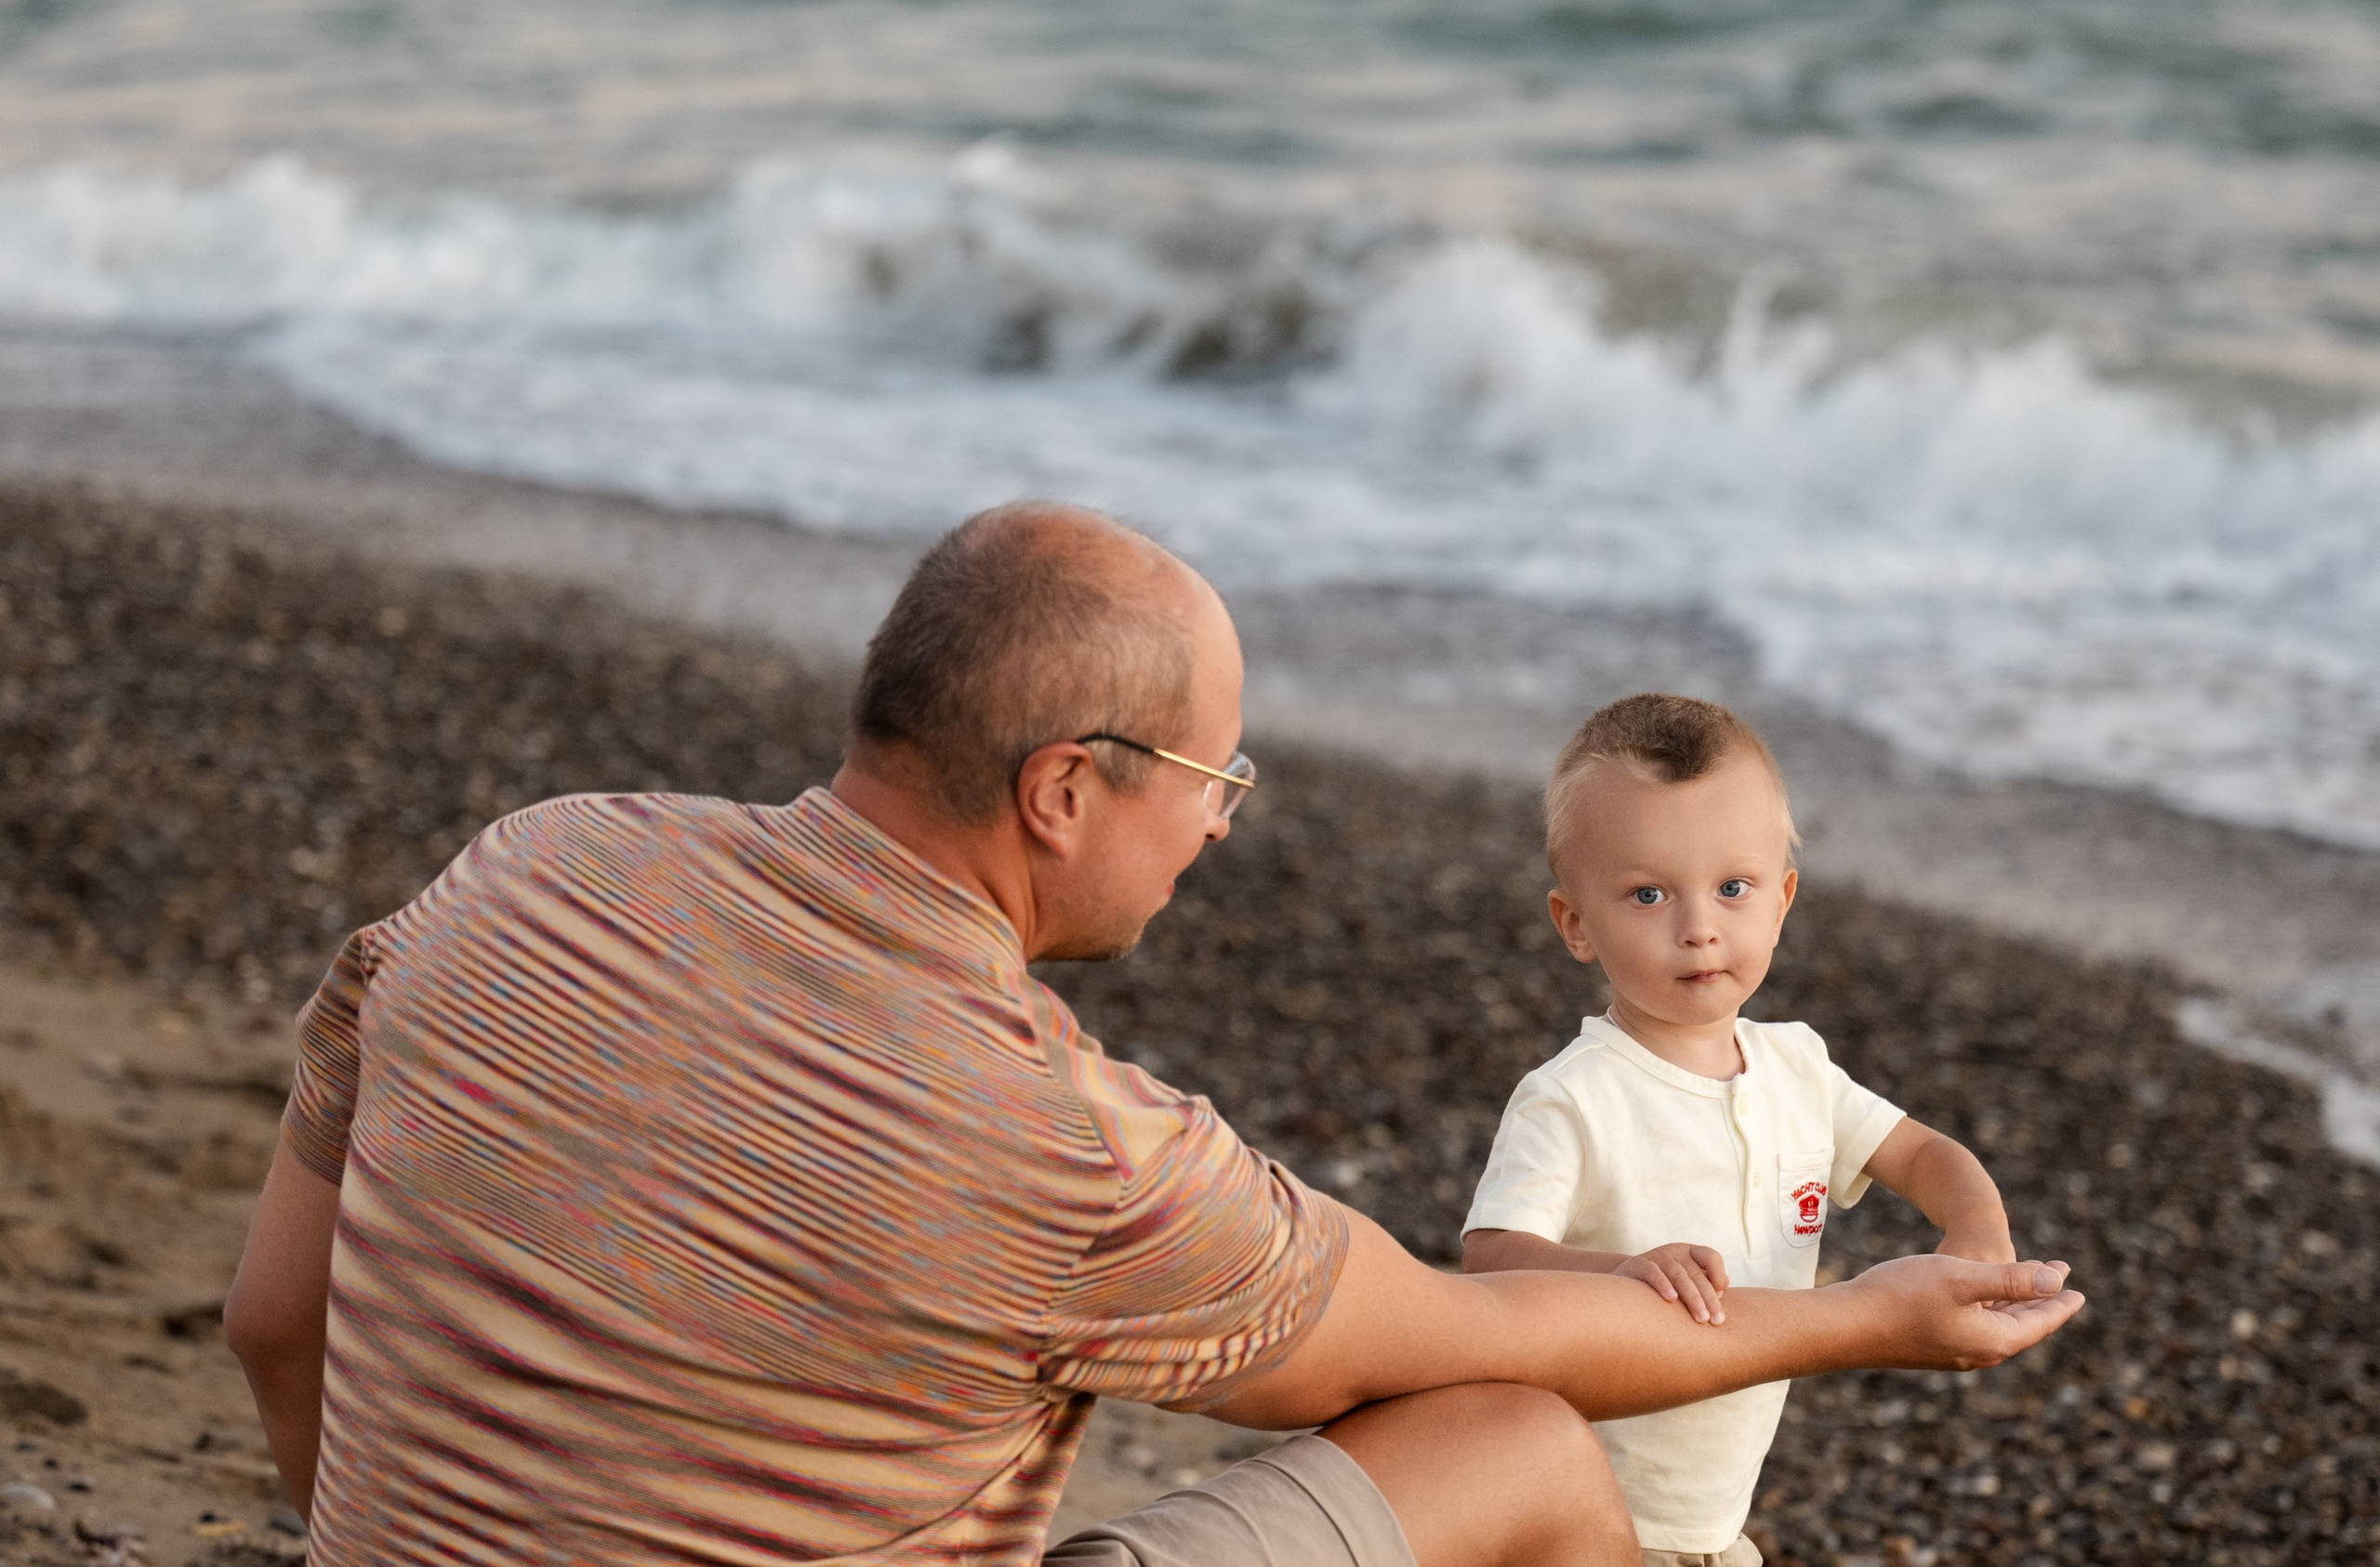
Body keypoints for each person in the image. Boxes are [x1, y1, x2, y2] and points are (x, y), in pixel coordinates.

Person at [224, 503, 2082, 1567]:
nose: (1218, 824)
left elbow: (275, 1319)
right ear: (1062, 789)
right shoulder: (1054, 1147)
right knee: (1516, 1441)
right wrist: (1874, 1315)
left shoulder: (529, 865)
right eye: (1214, 779)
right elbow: (1486, 1337)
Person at [1461, 694, 2016, 1567]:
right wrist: (1619, 1274)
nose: (1699, 928)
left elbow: (1921, 1151)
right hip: (1575, 1516)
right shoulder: (1573, 1097)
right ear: (1576, 924)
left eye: (1732, 888)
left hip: (1710, 1524)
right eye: (1648, 894)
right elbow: (1491, 1260)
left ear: (1782, 899)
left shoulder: (1798, 1067)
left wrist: (1976, 1230)